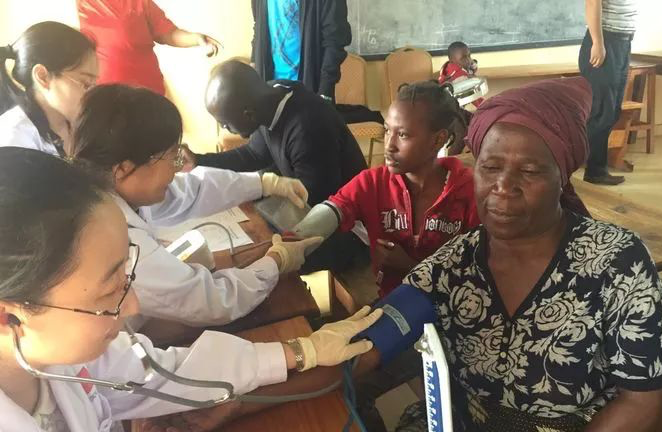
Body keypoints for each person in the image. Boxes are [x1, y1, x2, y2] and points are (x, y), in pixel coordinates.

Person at [0, 147, 382, 432]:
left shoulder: (53, 351)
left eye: (126, 275)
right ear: (7, 319)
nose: (133, 306)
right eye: (109, 292)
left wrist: (299, 351)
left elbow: (158, 371)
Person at [373, 77, 662, 432]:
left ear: (563, 176)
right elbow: (380, 331)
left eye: (530, 171)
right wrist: (305, 359)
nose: (503, 188)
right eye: (490, 167)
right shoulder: (458, 261)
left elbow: (646, 402)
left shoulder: (615, 262)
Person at [70, 83, 319, 328]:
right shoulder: (119, 244)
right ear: (124, 168)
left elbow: (191, 190)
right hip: (123, 341)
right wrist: (275, 261)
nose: (177, 168)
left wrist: (263, 183)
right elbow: (214, 301)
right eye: (171, 157)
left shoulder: (110, 189)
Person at [293, 81, 478, 298]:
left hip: (452, 307)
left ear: (438, 139)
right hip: (393, 303)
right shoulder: (373, 182)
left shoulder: (469, 191)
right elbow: (334, 209)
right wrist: (291, 243)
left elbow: (475, 275)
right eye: (388, 130)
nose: (389, 145)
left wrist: (409, 266)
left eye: (403, 135)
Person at [189, 59, 369, 273]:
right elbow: (254, 154)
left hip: (345, 228)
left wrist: (263, 229)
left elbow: (314, 205)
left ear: (248, 114)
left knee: (255, 260)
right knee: (243, 235)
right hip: (308, 207)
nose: (224, 127)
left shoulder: (307, 127)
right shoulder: (268, 99)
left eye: (225, 122)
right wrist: (198, 161)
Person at [0, 21, 97, 157]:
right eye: (86, 84)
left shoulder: (73, 125)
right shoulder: (10, 140)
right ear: (42, 77)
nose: (93, 94)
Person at [78, 0, 222, 96]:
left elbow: (169, 34)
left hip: (147, 93)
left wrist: (197, 39)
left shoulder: (140, 2)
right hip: (105, 97)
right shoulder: (81, 5)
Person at [579, 0, 638, 185]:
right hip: (605, 40)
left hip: (622, 42)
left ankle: (597, 167)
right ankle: (593, 171)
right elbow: (592, 3)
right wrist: (598, 42)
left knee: (612, 113)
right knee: (601, 113)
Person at [250, 0, 351, 102]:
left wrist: (325, 92)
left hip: (309, 91)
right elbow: (258, 24)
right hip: (269, 88)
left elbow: (334, 40)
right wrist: (253, 66)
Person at [438, 41, 483, 109]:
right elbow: (474, 96)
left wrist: (473, 66)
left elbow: (470, 68)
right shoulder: (460, 77)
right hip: (451, 107)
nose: (468, 60)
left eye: (469, 56)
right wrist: (484, 106)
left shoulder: (451, 65)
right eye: (463, 58)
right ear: (451, 60)